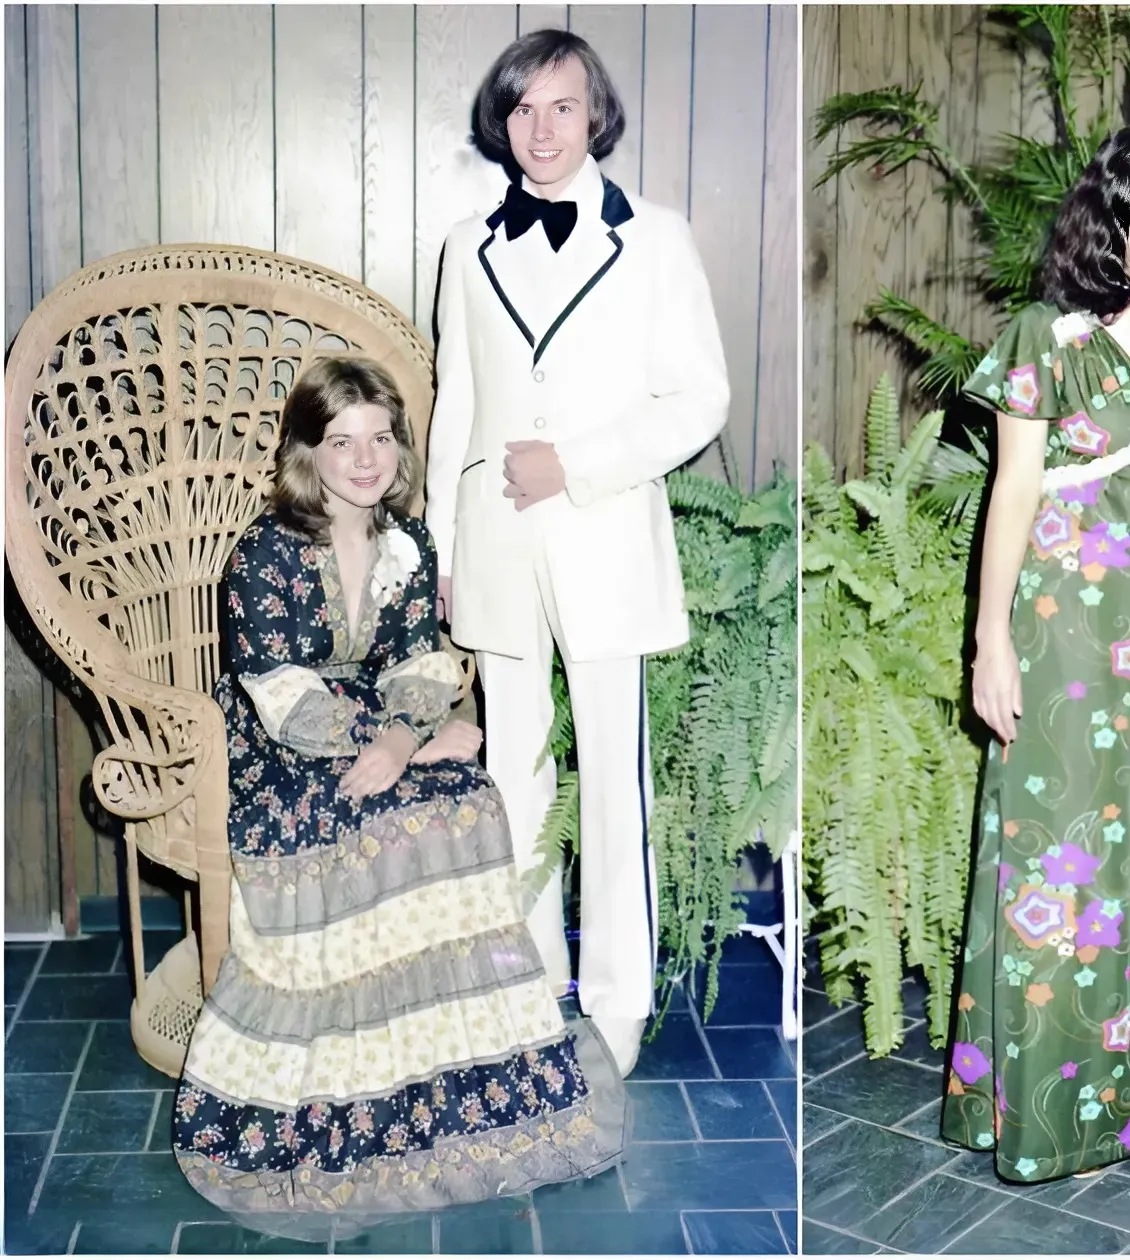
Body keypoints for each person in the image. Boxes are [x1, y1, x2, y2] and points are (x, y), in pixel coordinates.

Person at [174, 356, 626, 1240]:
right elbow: (278, 692)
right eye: (341, 441)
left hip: (384, 734)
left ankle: (447, 1070)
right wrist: (384, 746)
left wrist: (409, 737)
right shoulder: (263, 554)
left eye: (380, 438)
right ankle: (348, 1073)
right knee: (361, 823)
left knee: (469, 805)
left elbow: (421, 659)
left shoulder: (408, 545)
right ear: (307, 452)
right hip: (282, 749)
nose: (364, 458)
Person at [942, 125, 1130, 1183]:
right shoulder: (1050, 335)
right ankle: (1049, 1112)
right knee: (1060, 866)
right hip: (1062, 636)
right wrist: (990, 641)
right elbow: (1013, 492)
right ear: (1109, 218)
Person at [425, 29, 730, 1074]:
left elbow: (700, 398)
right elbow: (454, 401)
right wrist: (443, 539)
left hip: (603, 539)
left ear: (595, 114)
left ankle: (615, 1004)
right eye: (522, 109)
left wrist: (579, 464)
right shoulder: (465, 245)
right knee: (512, 775)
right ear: (500, 123)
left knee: (615, 774)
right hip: (496, 542)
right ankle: (522, 989)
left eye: (562, 106)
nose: (541, 128)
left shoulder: (655, 238)